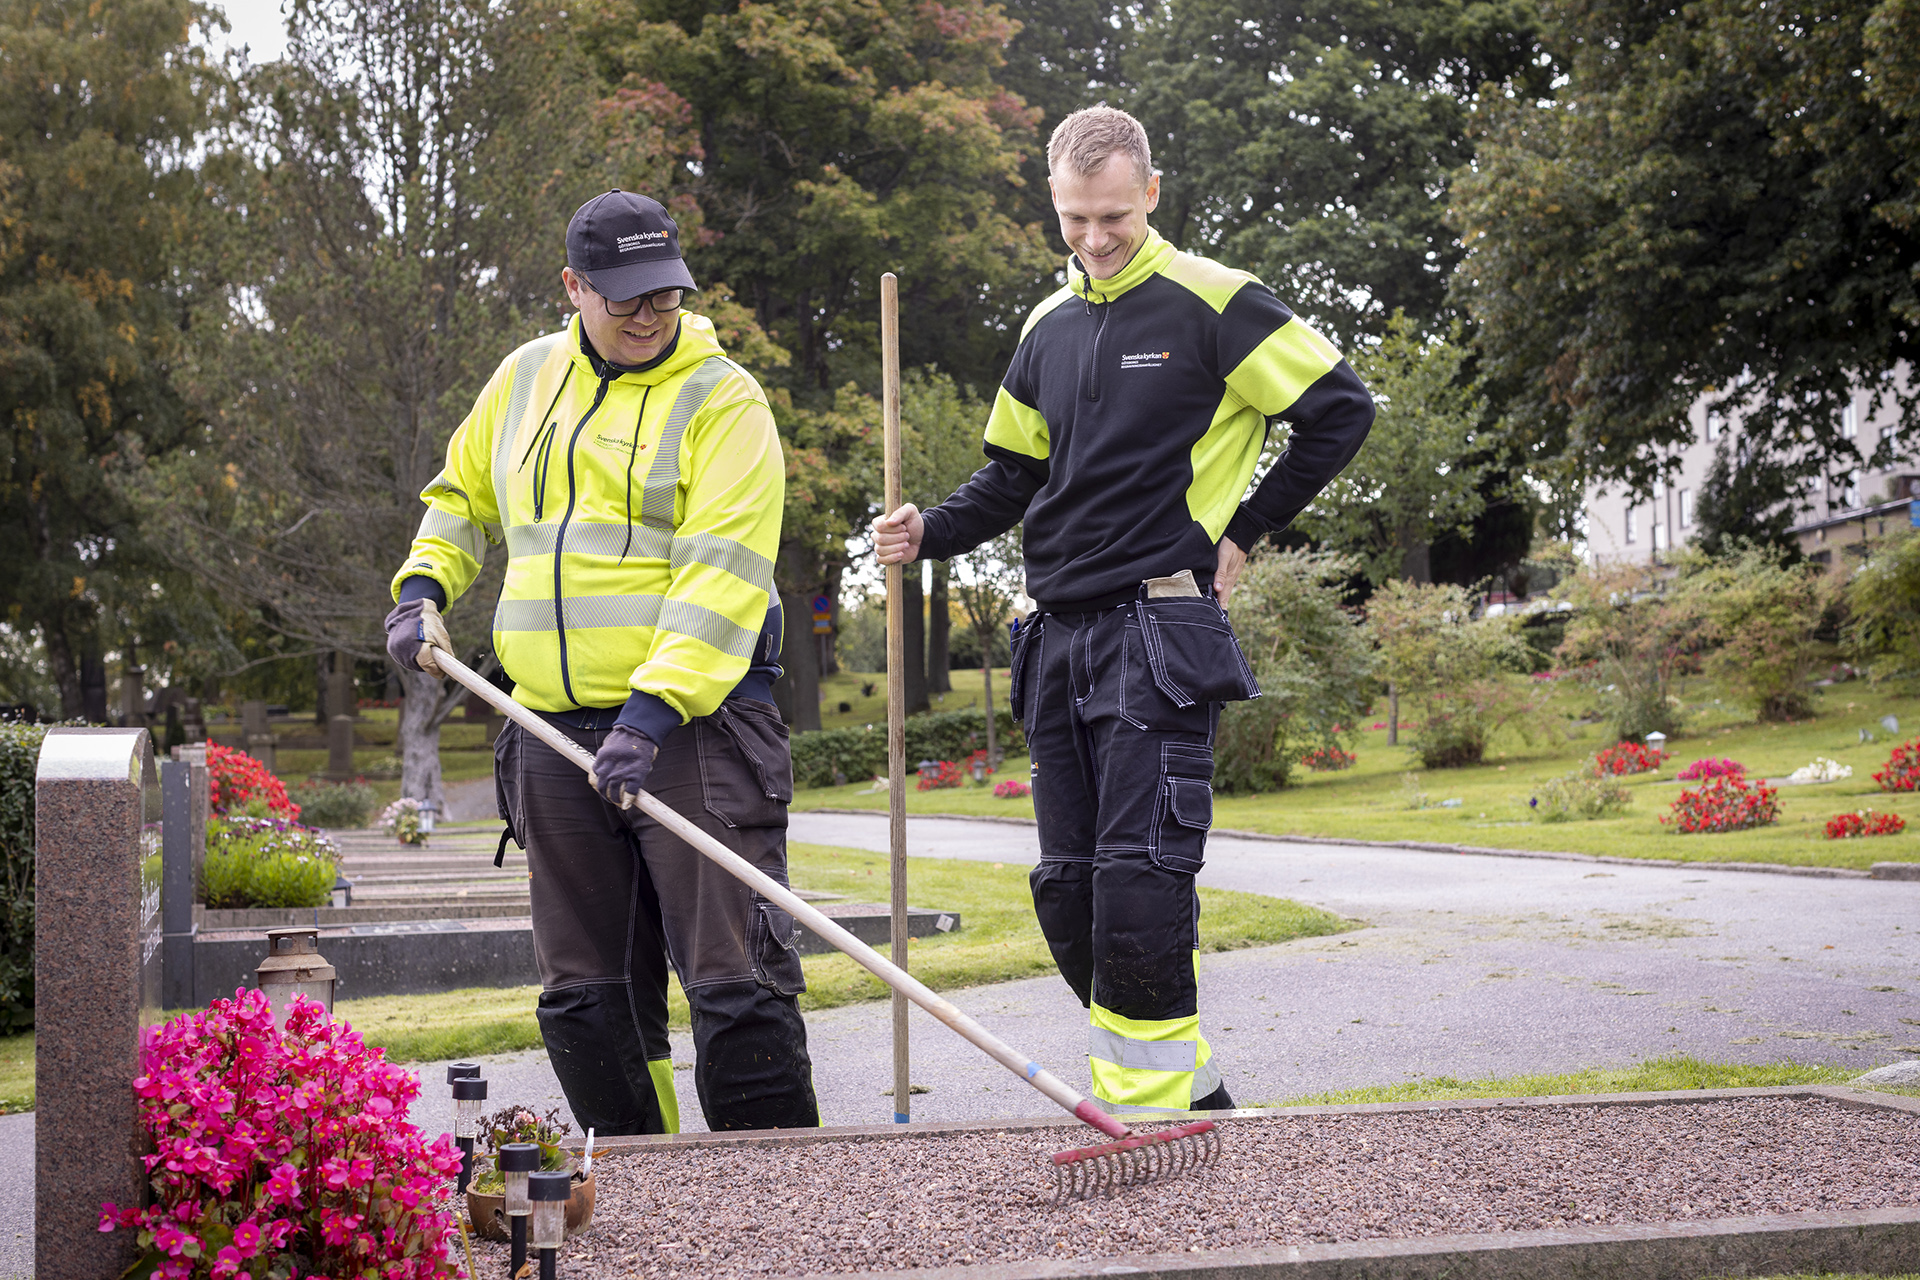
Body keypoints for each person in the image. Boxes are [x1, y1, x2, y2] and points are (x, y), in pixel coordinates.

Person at [873, 107, 1374, 1116]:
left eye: (1113, 216)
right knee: (1068, 891)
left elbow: (1340, 409)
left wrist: (1245, 528)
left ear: (1150, 193)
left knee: (1140, 880)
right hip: (1054, 639)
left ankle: (1146, 1117)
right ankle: (1194, 1095)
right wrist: (930, 530)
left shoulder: (1217, 302)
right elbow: (1012, 476)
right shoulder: (1045, 326)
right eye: (1075, 219)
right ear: (1054, 205)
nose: (1095, 239)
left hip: (1158, 632)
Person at [384, 189, 818, 1135]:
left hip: (695, 731)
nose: (648, 315)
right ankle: (641, 1181)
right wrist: (421, 588)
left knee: (734, 981)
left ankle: (781, 1190)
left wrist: (650, 714)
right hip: (547, 729)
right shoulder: (523, 379)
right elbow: (461, 499)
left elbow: (721, 574)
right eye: (624, 297)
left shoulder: (723, 398)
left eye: (664, 294)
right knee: (588, 996)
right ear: (574, 287)